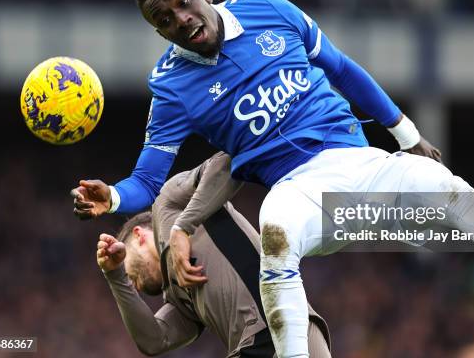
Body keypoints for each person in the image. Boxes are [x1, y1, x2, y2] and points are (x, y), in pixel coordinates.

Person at [72, 0, 474, 357]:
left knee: (441, 186)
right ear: (160, 34)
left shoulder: (268, 8)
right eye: (165, 21)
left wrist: (405, 133)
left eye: (182, 4)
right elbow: (147, 178)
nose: (180, 20)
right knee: (276, 228)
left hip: (358, 163)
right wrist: (114, 195)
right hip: (298, 189)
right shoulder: (170, 86)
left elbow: (340, 67)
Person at [95, 152, 331, 357]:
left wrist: (183, 227)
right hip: (264, 342)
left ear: (139, 235)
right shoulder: (182, 302)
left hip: (285, 329)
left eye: (128, 271)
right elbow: (153, 341)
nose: (133, 286)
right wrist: (115, 275)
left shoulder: (168, 205)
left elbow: (226, 162)